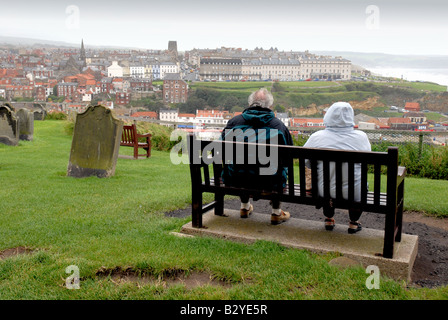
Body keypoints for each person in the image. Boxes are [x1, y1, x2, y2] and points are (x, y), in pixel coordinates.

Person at [221, 88, 293, 225]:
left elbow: (222, 150)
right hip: (270, 180)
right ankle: (276, 212)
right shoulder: (278, 126)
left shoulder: (234, 122)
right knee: (278, 170)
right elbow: (287, 157)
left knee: (241, 167)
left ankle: (244, 207)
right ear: (269, 105)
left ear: (250, 103)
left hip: (236, 178)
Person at [303, 102, 371, 234]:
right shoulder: (361, 137)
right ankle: (353, 222)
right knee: (360, 185)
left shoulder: (316, 137)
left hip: (324, 192)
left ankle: (329, 218)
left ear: (328, 116)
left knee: (326, 183)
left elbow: (306, 162)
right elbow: (365, 164)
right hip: (355, 193)